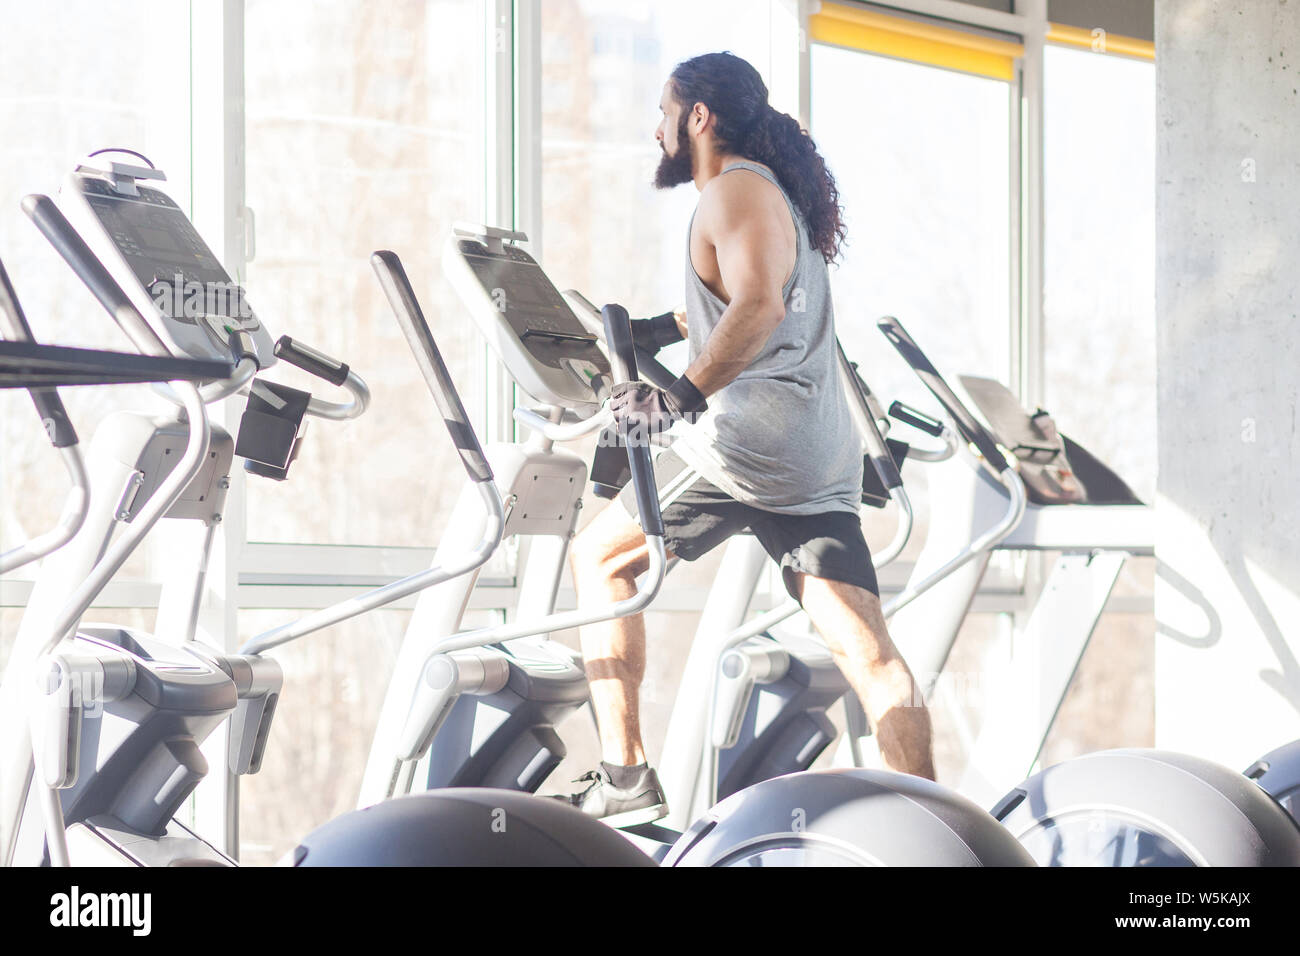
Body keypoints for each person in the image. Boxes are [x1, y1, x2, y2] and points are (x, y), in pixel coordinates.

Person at [564, 51, 935, 825]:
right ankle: (939, 822)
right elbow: (746, 297)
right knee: (868, 652)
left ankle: (625, 775)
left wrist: (681, 398)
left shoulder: (732, 189)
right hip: (812, 452)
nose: (655, 128)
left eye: (664, 112)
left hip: (748, 444)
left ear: (698, 117)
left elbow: (759, 307)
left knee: (598, 559)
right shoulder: (765, 197)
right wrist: (658, 330)